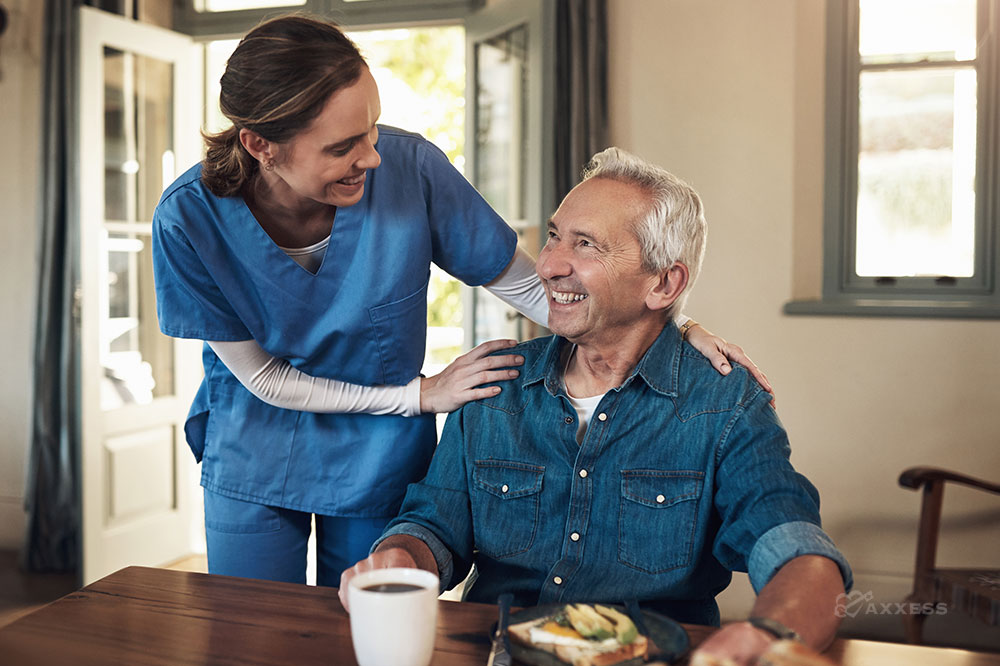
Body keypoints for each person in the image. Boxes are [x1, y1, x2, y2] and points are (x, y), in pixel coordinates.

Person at [151, 15, 770, 589]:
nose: (371, 156)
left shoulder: (411, 169)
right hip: (258, 443)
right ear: (262, 145)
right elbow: (263, 376)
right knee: (251, 634)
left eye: (370, 130)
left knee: (369, 618)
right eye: (343, 147)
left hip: (378, 452)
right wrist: (422, 395)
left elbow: (538, 287)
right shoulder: (188, 220)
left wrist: (671, 325)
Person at [339, 148, 851, 665]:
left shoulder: (726, 403)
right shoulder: (497, 385)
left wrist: (767, 633)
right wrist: (398, 559)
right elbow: (434, 527)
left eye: (585, 245)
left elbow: (792, 546)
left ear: (664, 284)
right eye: (555, 235)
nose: (548, 264)